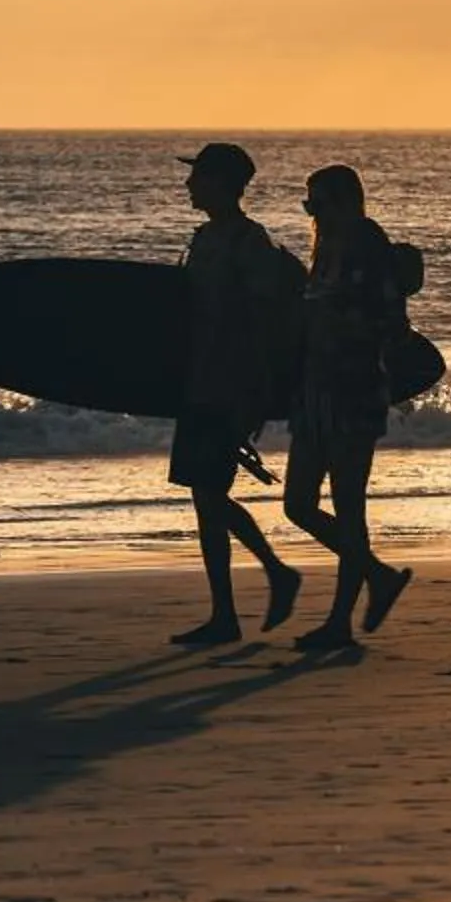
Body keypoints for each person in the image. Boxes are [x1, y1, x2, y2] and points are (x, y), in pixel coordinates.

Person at [168, 142, 306, 648]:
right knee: (205, 498)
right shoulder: (204, 238)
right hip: (199, 382)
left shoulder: (249, 243)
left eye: (198, 177)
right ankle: (224, 613)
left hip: (228, 385)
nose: (188, 185)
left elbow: (266, 322)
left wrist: (259, 395)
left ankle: (272, 574)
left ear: (223, 185)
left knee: (208, 493)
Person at [283, 162, 414, 652]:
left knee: (348, 507)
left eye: (316, 203)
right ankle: (377, 576)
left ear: (343, 202)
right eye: (307, 205)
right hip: (315, 393)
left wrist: (339, 321)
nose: (311, 212)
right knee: (298, 504)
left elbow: (391, 324)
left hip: (354, 392)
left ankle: (340, 622)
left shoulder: (367, 247)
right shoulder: (326, 251)